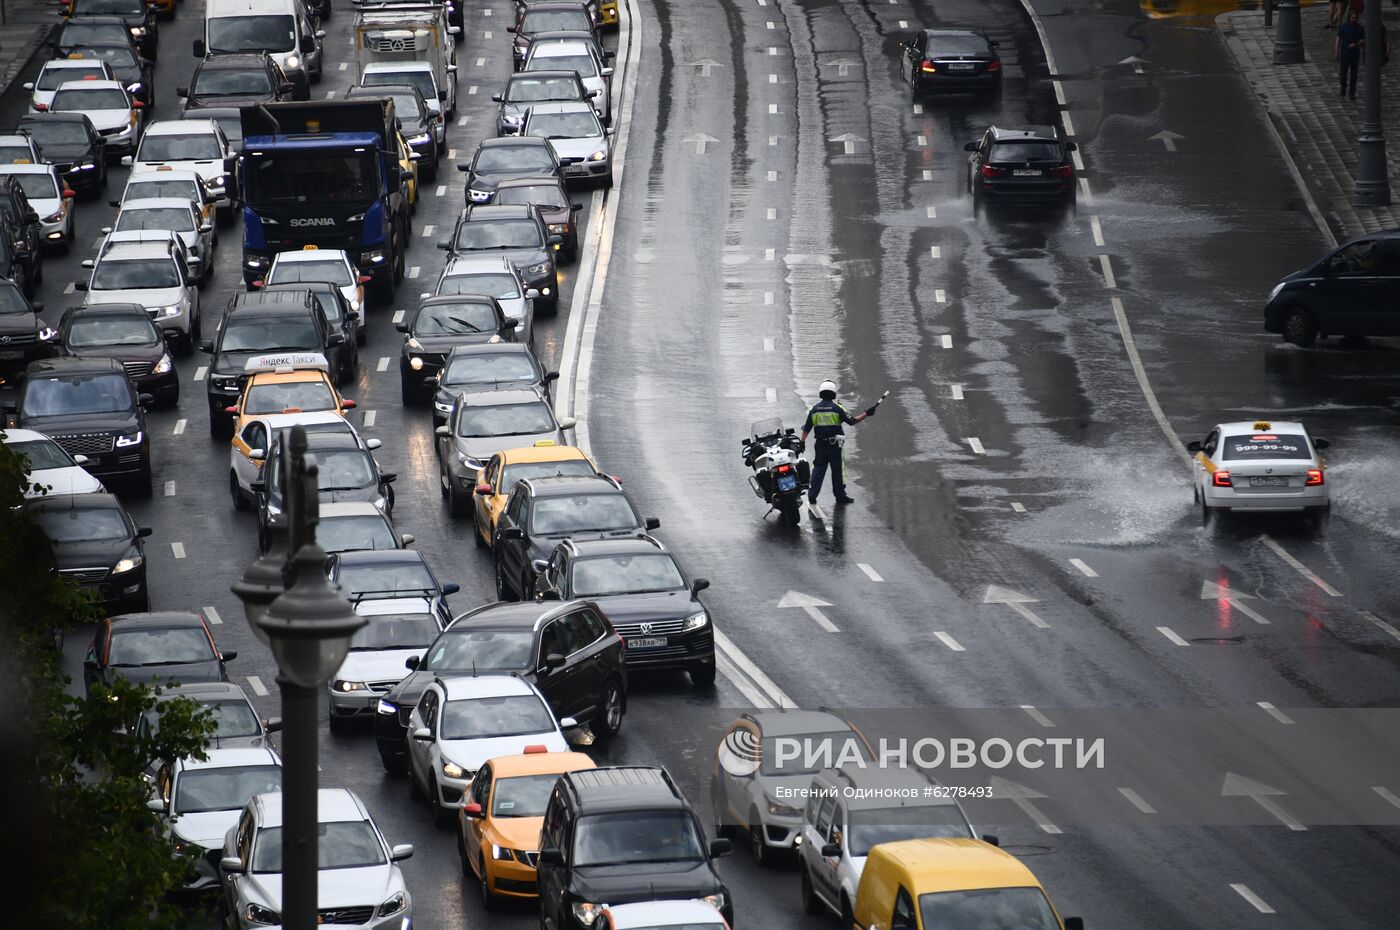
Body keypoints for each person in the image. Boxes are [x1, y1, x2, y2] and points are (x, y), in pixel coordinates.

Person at [800, 380, 875, 506]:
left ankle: (812, 496)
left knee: (818, 470)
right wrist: (867, 414)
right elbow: (852, 421)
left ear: (821, 392)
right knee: (837, 471)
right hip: (834, 446)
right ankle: (840, 496)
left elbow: (807, 428)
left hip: (820, 445)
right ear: (833, 394)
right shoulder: (837, 409)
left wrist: (802, 442)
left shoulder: (815, 409)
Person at [1337, 10, 1365, 99]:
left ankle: (1352, 92)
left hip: (1355, 54)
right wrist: (1336, 51)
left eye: (1355, 18)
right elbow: (1338, 39)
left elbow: (1363, 41)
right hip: (1344, 53)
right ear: (1349, 18)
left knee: (1354, 74)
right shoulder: (1343, 27)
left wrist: (1356, 44)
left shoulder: (1360, 28)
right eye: (1352, 17)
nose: (1354, 19)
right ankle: (1343, 87)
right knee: (1343, 73)